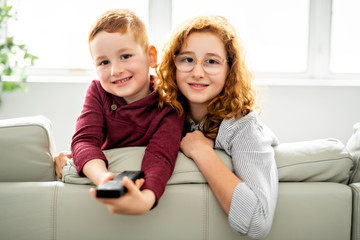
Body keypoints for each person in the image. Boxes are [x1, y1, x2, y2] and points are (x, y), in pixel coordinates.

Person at [155, 16, 279, 239]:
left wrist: (202, 151)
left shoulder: (243, 127)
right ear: (172, 66)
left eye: (211, 61)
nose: (198, 72)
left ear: (229, 70)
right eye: (187, 59)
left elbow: (257, 222)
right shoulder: (162, 114)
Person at [54, 9, 184, 215]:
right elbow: (84, 140)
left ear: (151, 56)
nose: (115, 71)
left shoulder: (169, 103)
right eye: (104, 62)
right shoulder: (98, 91)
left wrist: (146, 199)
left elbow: (160, 157)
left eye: (125, 56)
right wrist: (103, 178)